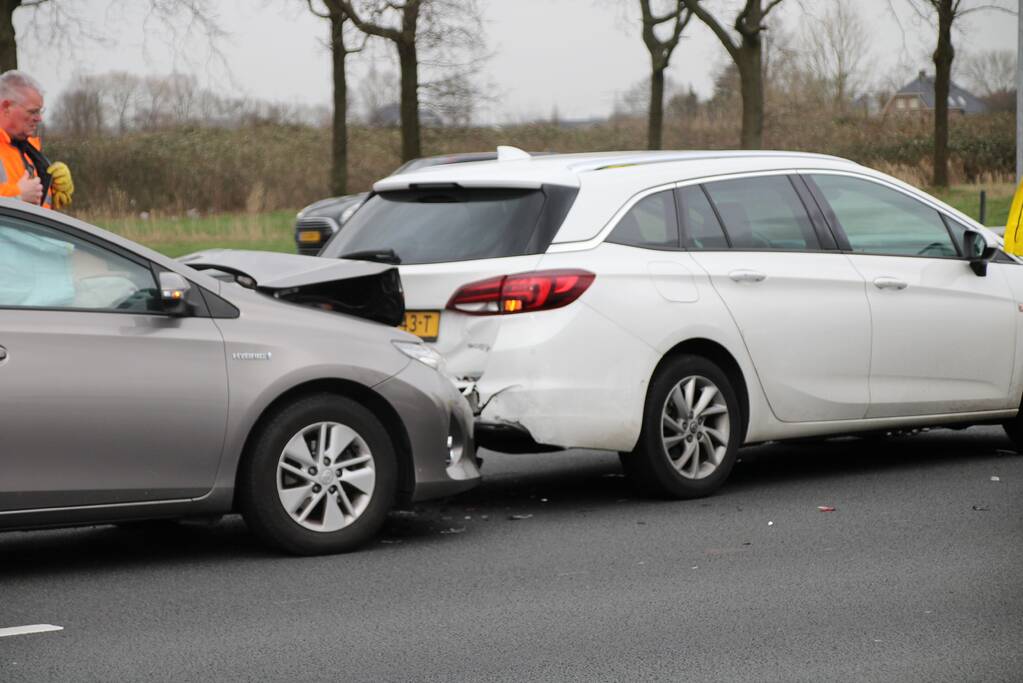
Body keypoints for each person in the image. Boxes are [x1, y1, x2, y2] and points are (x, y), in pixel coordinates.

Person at [0, 70, 73, 210]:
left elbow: (38, 213)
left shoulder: (30, 153)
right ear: (6, 107)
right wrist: (17, 196)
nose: (39, 118)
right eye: (33, 111)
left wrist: (54, 188)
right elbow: (22, 198)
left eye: (40, 111)